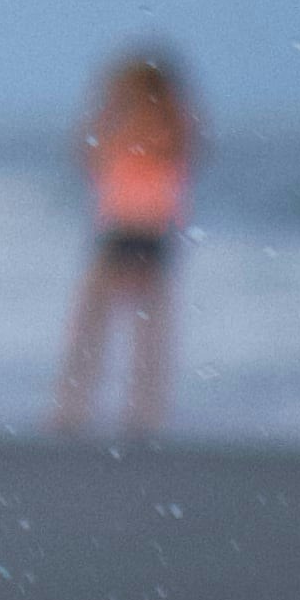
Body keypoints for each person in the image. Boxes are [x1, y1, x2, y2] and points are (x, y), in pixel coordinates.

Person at [54, 44, 200, 438]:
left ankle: (142, 414)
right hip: (118, 226)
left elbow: (185, 151)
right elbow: (87, 155)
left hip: (149, 227)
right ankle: (72, 408)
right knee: (94, 322)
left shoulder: (166, 124)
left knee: (145, 327)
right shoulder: (122, 123)